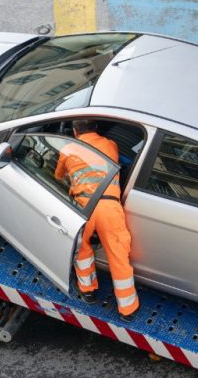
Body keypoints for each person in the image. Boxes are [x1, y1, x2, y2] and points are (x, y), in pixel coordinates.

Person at [54, 120, 140, 321]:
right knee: (118, 255)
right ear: (96, 128)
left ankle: (88, 291)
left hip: (83, 207)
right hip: (110, 206)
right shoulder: (110, 144)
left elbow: (58, 176)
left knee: (81, 249)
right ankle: (128, 309)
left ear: (75, 131)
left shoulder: (68, 149)